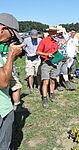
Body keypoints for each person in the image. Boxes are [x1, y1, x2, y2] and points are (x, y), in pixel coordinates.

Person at [0, 13, 23, 150]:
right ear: (2, 29)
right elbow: (3, 82)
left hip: (4, 107)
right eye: (12, 35)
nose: (12, 40)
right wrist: (11, 55)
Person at [36, 26, 59, 108]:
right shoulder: (44, 41)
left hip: (54, 63)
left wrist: (59, 57)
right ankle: (45, 98)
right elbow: (38, 52)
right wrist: (47, 54)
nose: (55, 34)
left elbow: (56, 52)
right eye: (53, 32)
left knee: (53, 80)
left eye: (55, 32)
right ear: (49, 32)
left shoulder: (56, 42)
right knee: (46, 82)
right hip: (45, 63)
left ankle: (52, 94)